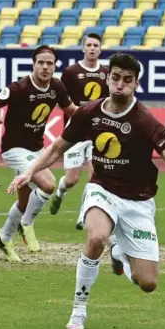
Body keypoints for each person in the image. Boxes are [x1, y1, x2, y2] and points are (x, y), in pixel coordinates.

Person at [8, 53, 165, 329]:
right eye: (116, 77)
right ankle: (79, 309)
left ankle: (119, 251)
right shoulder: (89, 112)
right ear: (108, 78)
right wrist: (29, 171)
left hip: (139, 202)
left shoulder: (146, 121)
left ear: (136, 84)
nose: (120, 84)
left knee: (147, 283)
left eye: (127, 80)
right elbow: (57, 148)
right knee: (97, 237)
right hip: (102, 189)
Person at [0, 45, 77, 262]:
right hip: (14, 149)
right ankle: (27, 224)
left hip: (36, 149)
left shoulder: (57, 86)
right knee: (49, 184)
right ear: (34, 64)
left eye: (49, 63)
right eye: (41, 62)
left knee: (24, 202)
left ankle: (3, 237)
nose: (45, 67)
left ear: (54, 66)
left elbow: (71, 111)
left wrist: (96, 115)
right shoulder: (19, 87)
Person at [50, 33, 110, 229]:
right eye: (89, 45)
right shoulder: (70, 72)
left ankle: (84, 214)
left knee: (95, 176)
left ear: (100, 50)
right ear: (83, 48)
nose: (92, 48)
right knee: (72, 179)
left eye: (96, 45)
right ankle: (60, 192)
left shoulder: (106, 73)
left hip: (97, 132)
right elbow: (62, 100)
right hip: (74, 132)